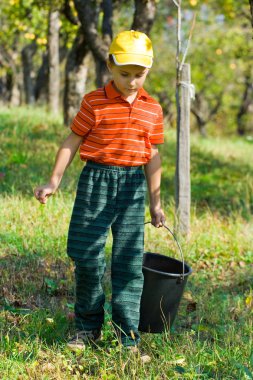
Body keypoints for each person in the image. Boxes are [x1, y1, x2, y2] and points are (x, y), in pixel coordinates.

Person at [34, 30, 165, 360]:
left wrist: (156, 202)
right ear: (110, 65)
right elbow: (71, 141)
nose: (132, 81)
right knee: (86, 255)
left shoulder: (153, 109)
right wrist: (53, 181)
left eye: (139, 75)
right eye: (125, 74)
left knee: (128, 263)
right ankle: (87, 328)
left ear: (147, 72)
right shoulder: (94, 101)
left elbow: (152, 156)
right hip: (97, 182)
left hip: (132, 187)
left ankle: (128, 337)